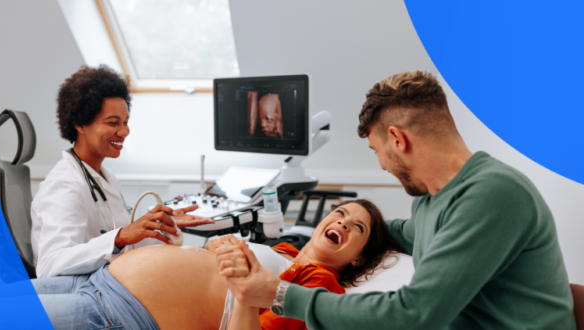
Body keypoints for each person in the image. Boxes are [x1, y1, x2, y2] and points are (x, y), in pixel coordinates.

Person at [220, 71, 576, 329]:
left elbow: (415, 313)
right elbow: (393, 230)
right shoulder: (429, 202)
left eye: (377, 151)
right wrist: (342, 228)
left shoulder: (492, 195)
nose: (382, 165)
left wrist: (280, 294)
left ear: (397, 139)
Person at [30, 199, 403, 330]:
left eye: (356, 227)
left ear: (358, 257)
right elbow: (212, 263)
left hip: (117, 312)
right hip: (95, 278)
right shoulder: (287, 250)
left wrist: (243, 277)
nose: (340, 222)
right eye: (339, 213)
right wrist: (218, 244)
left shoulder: (318, 285)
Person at [31, 65, 213, 278]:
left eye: (125, 122)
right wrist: (119, 236)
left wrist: (161, 225)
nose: (124, 132)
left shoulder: (106, 177)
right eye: (112, 123)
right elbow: (49, 265)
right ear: (80, 124)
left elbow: (126, 239)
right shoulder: (64, 184)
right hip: (85, 291)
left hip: (112, 279)